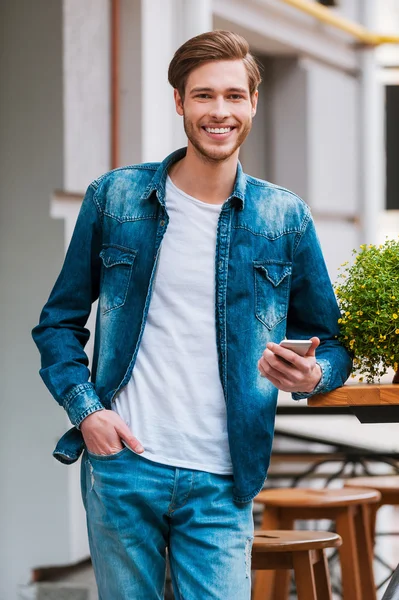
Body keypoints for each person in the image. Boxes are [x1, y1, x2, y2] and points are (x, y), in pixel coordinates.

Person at [32, 30, 352, 600]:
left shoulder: (284, 217)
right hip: (124, 464)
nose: (219, 111)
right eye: (203, 95)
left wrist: (315, 374)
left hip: (223, 478)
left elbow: (331, 342)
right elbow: (58, 321)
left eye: (233, 95)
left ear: (253, 103)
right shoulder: (116, 198)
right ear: (179, 102)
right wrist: (87, 412)